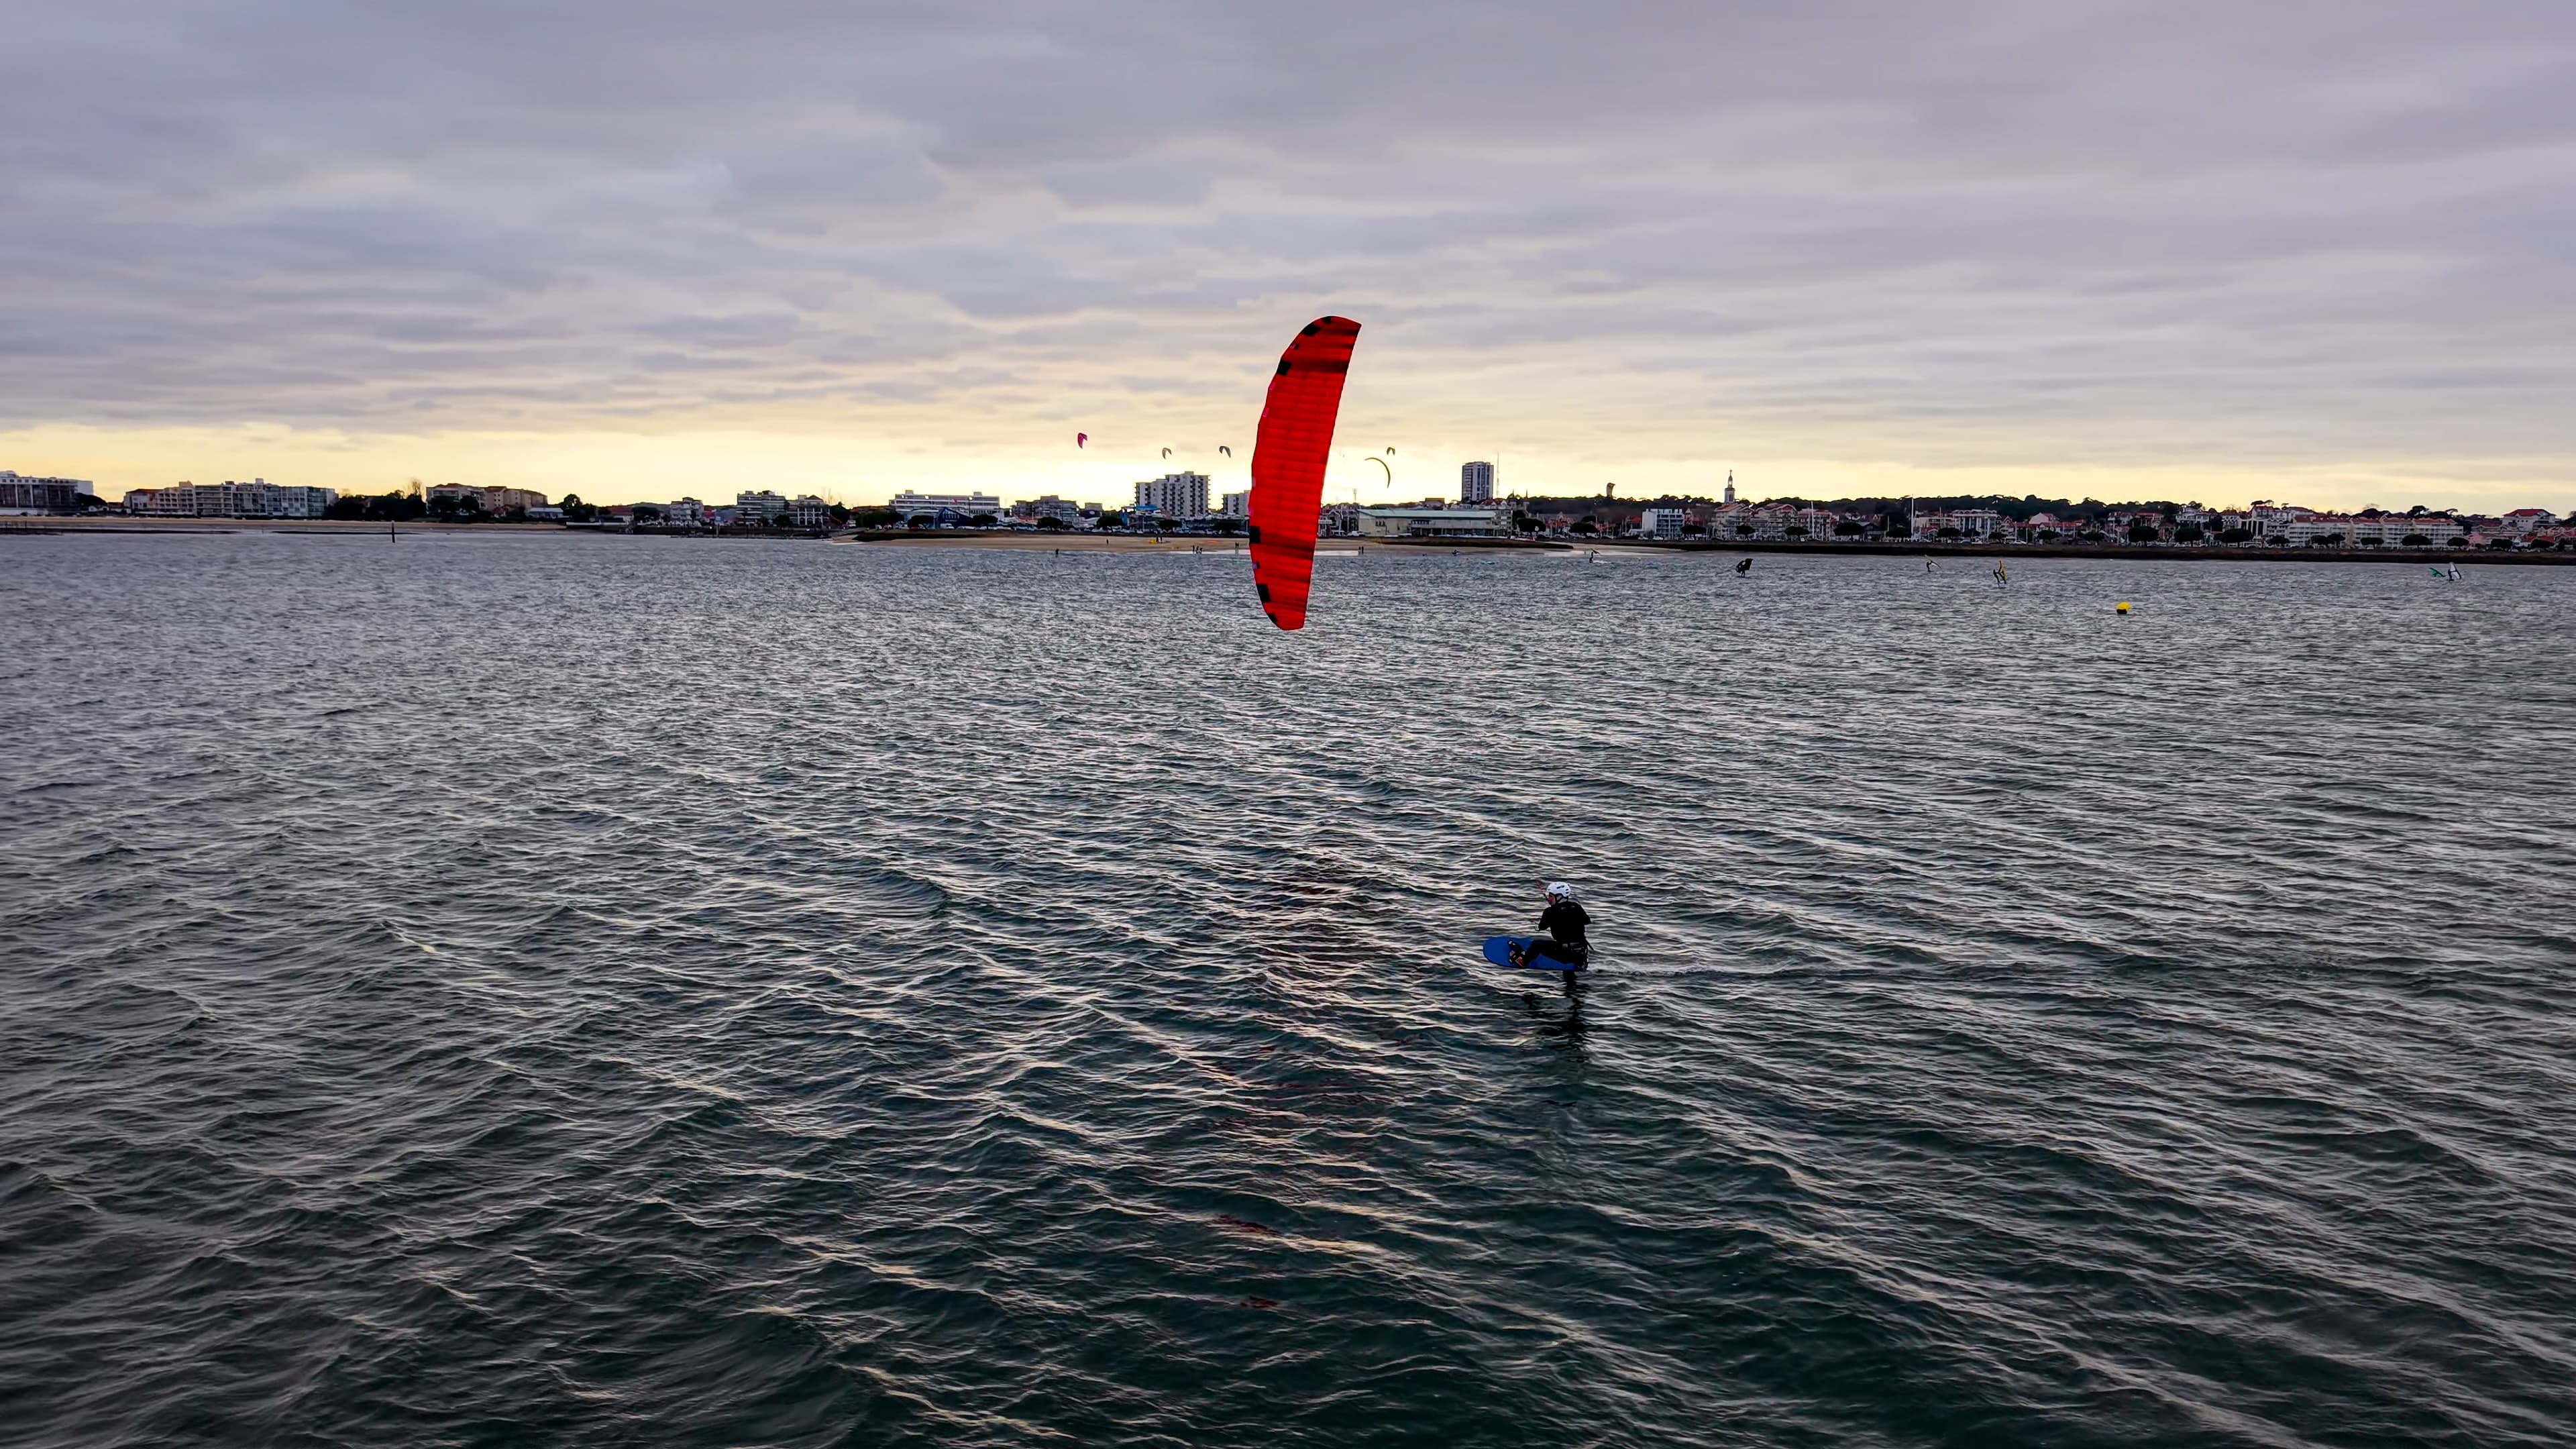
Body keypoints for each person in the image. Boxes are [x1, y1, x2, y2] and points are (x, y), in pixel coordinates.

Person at [1510, 883, 1591, 987]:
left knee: (1537, 944)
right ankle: (1571, 983)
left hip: (1566, 954)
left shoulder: (1550, 911)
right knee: (1568, 976)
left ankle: (1523, 962)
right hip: (1582, 954)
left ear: (1559, 897)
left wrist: (1537, 924)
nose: (1549, 899)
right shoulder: (1576, 907)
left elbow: (1541, 928)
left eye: (1551, 896)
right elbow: (1587, 921)